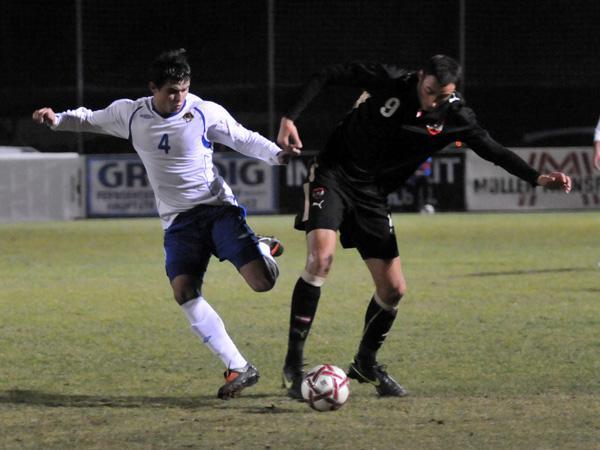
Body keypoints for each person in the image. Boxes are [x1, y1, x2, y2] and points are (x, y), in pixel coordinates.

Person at [277, 55, 572, 399]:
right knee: (320, 260)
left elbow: (494, 151)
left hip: (372, 195)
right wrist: (289, 117)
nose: (433, 101)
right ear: (420, 77)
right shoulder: (391, 81)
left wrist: (537, 178)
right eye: (430, 91)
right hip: (333, 173)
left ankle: (365, 363)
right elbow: (329, 72)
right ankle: (294, 364)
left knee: (393, 290)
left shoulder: (456, 116)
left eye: (442, 96)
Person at [33, 49, 298, 400]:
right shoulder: (130, 114)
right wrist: (57, 119)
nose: (179, 97)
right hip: (177, 221)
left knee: (263, 283)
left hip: (216, 209)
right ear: (153, 88)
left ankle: (260, 249)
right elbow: (89, 119)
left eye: (184, 90)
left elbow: (242, 137)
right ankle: (238, 366)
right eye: (172, 91)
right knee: (184, 291)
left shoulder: (204, 111)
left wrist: (276, 154)